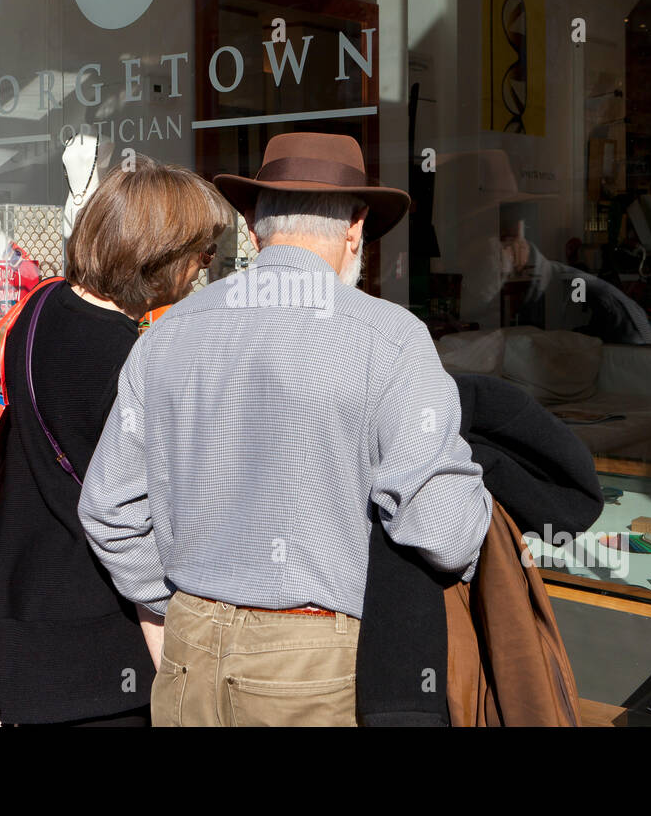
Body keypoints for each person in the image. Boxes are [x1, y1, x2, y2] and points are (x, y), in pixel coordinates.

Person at [78, 132, 493, 726]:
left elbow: (108, 510)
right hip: (313, 662)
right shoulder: (391, 336)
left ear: (252, 227)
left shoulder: (165, 332)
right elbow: (443, 531)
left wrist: (182, 608)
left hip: (189, 651)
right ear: (356, 227)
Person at [0, 156, 233, 726]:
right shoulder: (131, 361)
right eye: (202, 254)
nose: (204, 270)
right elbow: (139, 516)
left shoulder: (40, 307)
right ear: (158, 255)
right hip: (96, 643)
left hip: (21, 612)